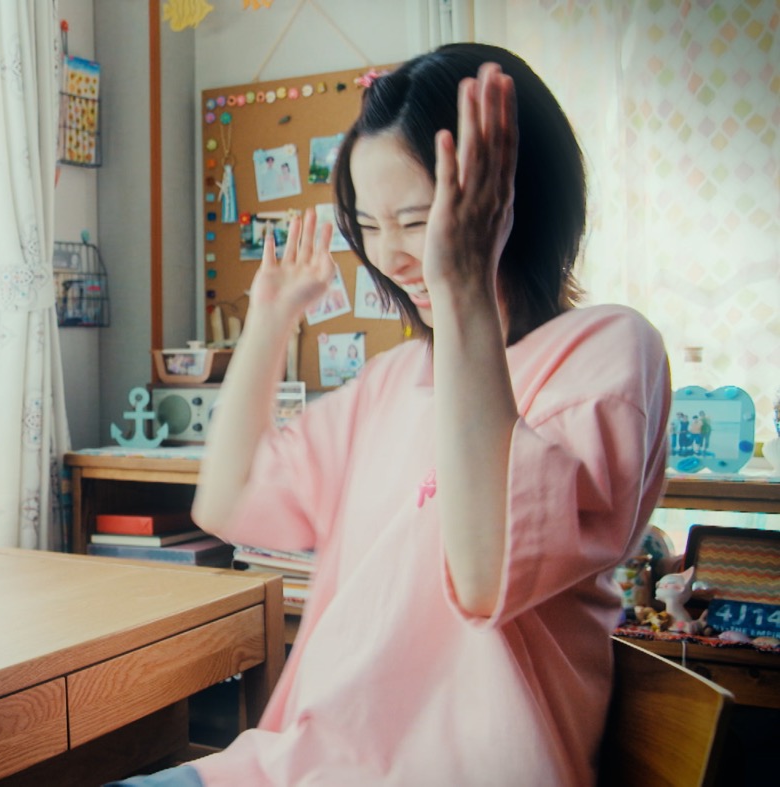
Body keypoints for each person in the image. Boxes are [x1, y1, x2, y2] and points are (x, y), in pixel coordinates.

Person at [129, 44, 671, 786]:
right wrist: (268, 320)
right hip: (300, 766)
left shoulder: (607, 349)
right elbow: (226, 502)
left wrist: (464, 283)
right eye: (369, 227)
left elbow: (486, 577)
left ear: (510, 203)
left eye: (417, 221)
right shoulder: (398, 376)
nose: (391, 257)